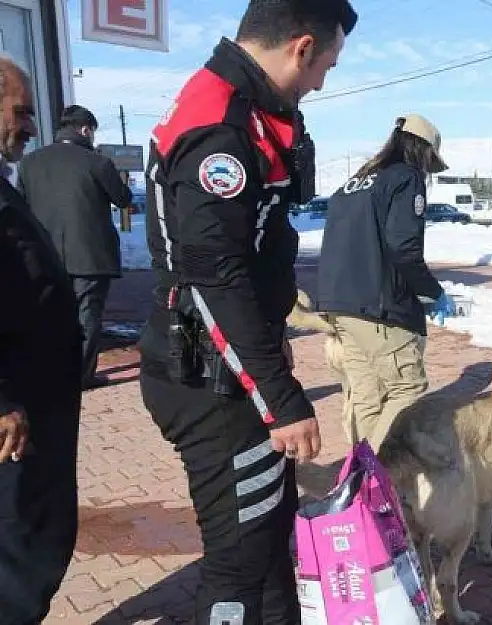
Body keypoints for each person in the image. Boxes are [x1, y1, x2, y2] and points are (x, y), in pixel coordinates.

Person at [137, 2, 358, 623]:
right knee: (238, 561)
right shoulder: (221, 126)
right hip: (211, 380)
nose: (321, 81)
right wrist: (281, 399)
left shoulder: (247, 109)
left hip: (231, 363)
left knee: (267, 543)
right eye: (326, 66)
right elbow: (213, 278)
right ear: (301, 47)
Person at [0, 58, 84, 625]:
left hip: (35, 404)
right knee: (20, 549)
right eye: (21, 111)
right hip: (16, 418)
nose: (31, 127)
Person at [314, 114, 456, 450]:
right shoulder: (405, 178)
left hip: (341, 306)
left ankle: (366, 484)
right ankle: (374, 475)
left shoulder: (356, 181)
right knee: (408, 392)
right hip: (378, 309)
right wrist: (433, 292)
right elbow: (403, 248)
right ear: (421, 151)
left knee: (368, 398)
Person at [18, 104, 133, 390]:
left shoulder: (30, 162)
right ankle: (81, 376)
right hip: (91, 256)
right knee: (87, 315)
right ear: (85, 130)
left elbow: (21, 206)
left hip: (45, 256)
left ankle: (49, 372)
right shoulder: (97, 162)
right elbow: (123, 199)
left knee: (50, 316)